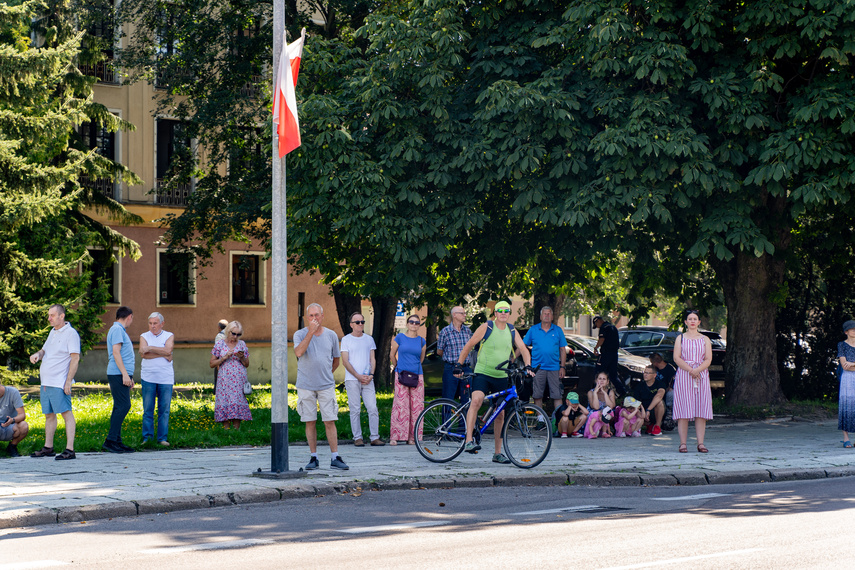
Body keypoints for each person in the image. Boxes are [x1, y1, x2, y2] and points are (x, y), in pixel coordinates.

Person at [454, 301, 533, 464]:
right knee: (476, 401)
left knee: (500, 414)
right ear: (495, 313)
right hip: (483, 373)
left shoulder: (512, 330)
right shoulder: (487, 327)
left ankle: (497, 453)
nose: (503, 313)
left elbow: (524, 349)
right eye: (500, 310)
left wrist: (528, 366)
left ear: (509, 313)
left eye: (506, 310)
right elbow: (469, 345)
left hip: (501, 376)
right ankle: (468, 441)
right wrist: (458, 364)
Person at [293, 303, 348, 470]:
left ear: (322, 316)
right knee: (310, 421)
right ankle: (313, 457)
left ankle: (335, 456)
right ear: (307, 318)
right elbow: (298, 352)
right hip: (305, 385)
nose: (314, 318)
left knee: (329, 420)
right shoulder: (299, 334)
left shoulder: (331, 335)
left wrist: (326, 373)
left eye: (317, 315)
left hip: (326, 385)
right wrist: (310, 332)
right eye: (311, 316)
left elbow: (336, 359)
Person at [28, 304, 79, 460]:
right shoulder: (53, 332)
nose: (49, 318)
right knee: (49, 415)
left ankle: (70, 450)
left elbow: (75, 358)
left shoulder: (71, 334)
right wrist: (37, 354)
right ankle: (48, 447)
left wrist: (68, 381)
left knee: (66, 413)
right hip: (46, 383)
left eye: (52, 315)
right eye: (49, 315)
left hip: (59, 382)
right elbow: (44, 351)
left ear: (61, 316)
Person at [340, 312, 384, 447]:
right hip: (352, 379)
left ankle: (374, 437)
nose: (360, 324)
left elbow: (373, 359)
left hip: (368, 379)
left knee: (372, 408)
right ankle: (357, 437)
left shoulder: (369, 339)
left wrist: (371, 374)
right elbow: (345, 361)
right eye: (357, 322)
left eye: (362, 322)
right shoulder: (346, 339)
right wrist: (357, 376)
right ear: (351, 325)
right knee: (355, 409)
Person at [673, 310, 713, 453]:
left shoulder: (705, 339)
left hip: (701, 375)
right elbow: (677, 358)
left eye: (695, 319)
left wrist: (698, 370)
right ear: (685, 322)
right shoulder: (680, 338)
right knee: (684, 409)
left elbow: (708, 359)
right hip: (685, 375)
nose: (692, 321)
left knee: (700, 410)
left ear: (699, 322)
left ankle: (700, 443)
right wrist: (691, 370)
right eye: (689, 319)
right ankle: (683, 443)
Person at [390, 314, 426, 446]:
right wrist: (397, 367)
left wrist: (414, 367)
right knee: (400, 406)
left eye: (417, 323)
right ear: (407, 324)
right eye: (412, 322)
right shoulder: (400, 337)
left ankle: (413, 437)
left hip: (417, 375)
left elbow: (421, 359)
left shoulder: (422, 341)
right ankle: (396, 436)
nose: (414, 324)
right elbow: (392, 354)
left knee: (417, 407)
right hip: (401, 374)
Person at [103, 306, 136, 453]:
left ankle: (116, 441)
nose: (131, 321)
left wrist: (129, 376)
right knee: (124, 406)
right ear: (129, 316)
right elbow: (116, 353)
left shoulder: (119, 330)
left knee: (119, 406)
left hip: (120, 374)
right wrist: (124, 374)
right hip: (117, 374)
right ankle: (110, 440)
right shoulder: (117, 330)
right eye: (132, 318)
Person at [140, 312, 175, 446]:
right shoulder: (144, 336)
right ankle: (147, 438)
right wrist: (162, 353)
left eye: (155, 323)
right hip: (148, 376)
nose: (152, 326)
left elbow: (168, 350)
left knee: (164, 410)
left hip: (165, 378)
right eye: (150, 323)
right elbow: (143, 354)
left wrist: (150, 348)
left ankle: (162, 438)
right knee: (148, 409)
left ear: (162, 324)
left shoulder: (169, 335)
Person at [210, 320, 252, 430]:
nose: (235, 336)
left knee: (236, 401)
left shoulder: (242, 344)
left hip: (238, 379)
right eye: (233, 333)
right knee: (224, 400)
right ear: (228, 331)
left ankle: (236, 430)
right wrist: (224, 358)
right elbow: (212, 364)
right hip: (224, 379)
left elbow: (247, 364)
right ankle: (226, 430)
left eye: (238, 334)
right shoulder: (220, 344)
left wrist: (242, 357)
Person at [523, 306, 567, 411]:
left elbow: (562, 350)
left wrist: (563, 367)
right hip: (537, 368)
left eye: (549, 314)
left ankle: (558, 420)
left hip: (554, 368)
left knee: (557, 395)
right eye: (544, 313)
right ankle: (540, 420)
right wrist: (513, 359)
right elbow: (522, 346)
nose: (547, 316)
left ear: (552, 317)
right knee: (537, 395)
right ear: (540, 316)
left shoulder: (558, 330)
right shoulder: (533, 330)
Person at [436, 306, 474, 405]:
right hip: (451, 368)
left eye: (465, 313)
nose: (465, 315)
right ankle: (447, 421)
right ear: (454, 315)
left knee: (467, 400)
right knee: (448, 399)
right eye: (462, 313)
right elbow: (439, 351)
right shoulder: (445, 331)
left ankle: (465, 421)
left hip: (466, 368)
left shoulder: (467, 331)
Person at [592, 315, 626, 397]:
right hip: (614, 354)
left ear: (598, 321)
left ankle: (595, 392)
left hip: (606, 354)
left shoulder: (604, 327)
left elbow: (602, 339)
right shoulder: (613, 327)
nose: (597, 327)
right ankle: (622, 392)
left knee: (598, 373)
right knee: (613, 375)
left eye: (596, 325)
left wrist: (596, 348)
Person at [632, 365, 667, 436]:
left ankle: (657, 426)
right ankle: (648, 425)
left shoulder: (660, 384)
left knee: (659, 402)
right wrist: (643, 413)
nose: (645, 375)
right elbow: (636, 402)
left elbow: (659, 395)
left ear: (654, 375)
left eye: (648, 373)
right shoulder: (639, 386)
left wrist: (648, 410)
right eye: (644, 372)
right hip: (643, 412)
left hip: (656, 411)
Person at [837, 320, 855, 448]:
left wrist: (853, 364)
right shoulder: (842, 345)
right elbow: (844, 366)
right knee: (846, 406)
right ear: (846, 332)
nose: (854, 331)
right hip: (847, 379)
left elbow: (850, 365)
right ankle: (846, 438)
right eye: (852, 329)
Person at [0, 382, 28, 457]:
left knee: (24, 426)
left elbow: (22, 415)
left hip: (10, 425)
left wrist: (12, 420)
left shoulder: (13, 392)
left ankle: (12, 447)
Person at [650, 352, 677, 427]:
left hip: (666, 390)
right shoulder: (655, 369)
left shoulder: (670, 369)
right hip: (655, 388)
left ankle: (669, 413)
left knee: (671, 394)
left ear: (655, 362)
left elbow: (671, 385)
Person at [213, 319, 228, 383]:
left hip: (221, 360)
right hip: (230, 361)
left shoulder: (219, 336)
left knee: (218, 379)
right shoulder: (231, 335)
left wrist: (217, 364)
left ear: (219, 327)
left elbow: (217, 351)